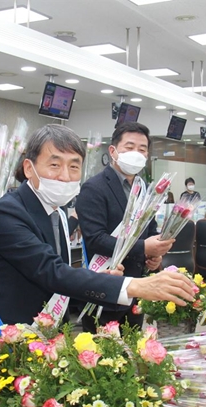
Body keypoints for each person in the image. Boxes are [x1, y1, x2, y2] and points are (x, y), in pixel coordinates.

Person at [0, 124, 196, 326]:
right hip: (9, 331)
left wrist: (102, 280)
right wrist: (135, 285)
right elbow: (50, 271)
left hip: (50, 330)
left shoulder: (58, 211)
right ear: (29, 168)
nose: (65, 176)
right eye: (54, 165)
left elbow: (61, 275)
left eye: (74, 167)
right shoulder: (7, 212)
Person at [76, 122, 173, 332]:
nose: (136, 153)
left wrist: (154, 256)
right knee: (100, 357)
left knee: (134, 353)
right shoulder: (94, 188)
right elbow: (95, 239)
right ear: (113, 151)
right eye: (129, 147)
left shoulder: (144, 189)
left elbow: (149, 230)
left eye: (142, 149)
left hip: (137, 288)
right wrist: (143, 248)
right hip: (104, 285)